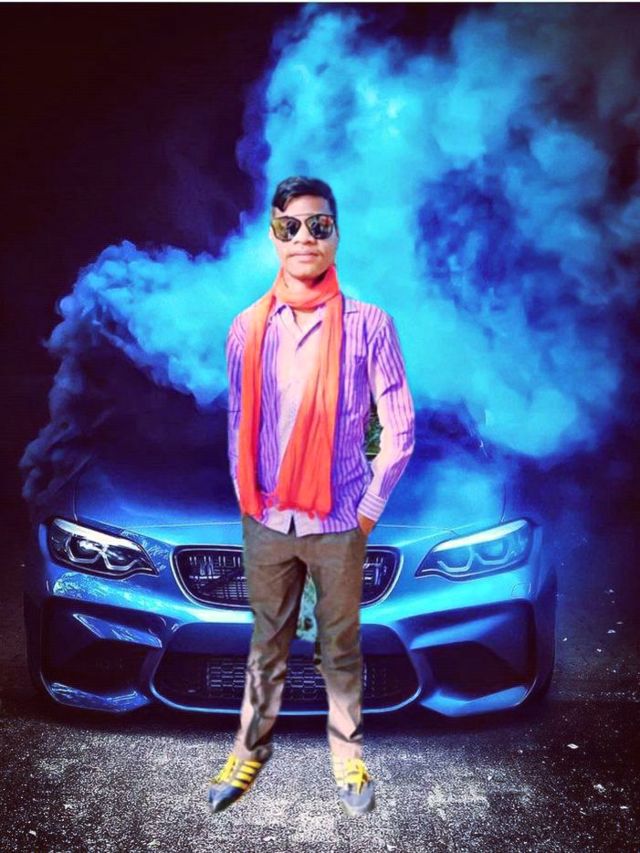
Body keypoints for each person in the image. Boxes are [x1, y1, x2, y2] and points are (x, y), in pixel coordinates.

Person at [208, 175, 415, 817]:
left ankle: (348, 759)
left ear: (336, 235)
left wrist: (368, 512)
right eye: (290, 226)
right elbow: (240, 423)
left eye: (318, 225)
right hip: (267, 518)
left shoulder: (370, 325)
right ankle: (248, 752)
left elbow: (401, 427)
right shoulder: (246, 327)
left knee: (339, 648)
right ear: (273, 236)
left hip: (339, 519)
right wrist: (247, 499)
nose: (304, 237)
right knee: (266, 643)